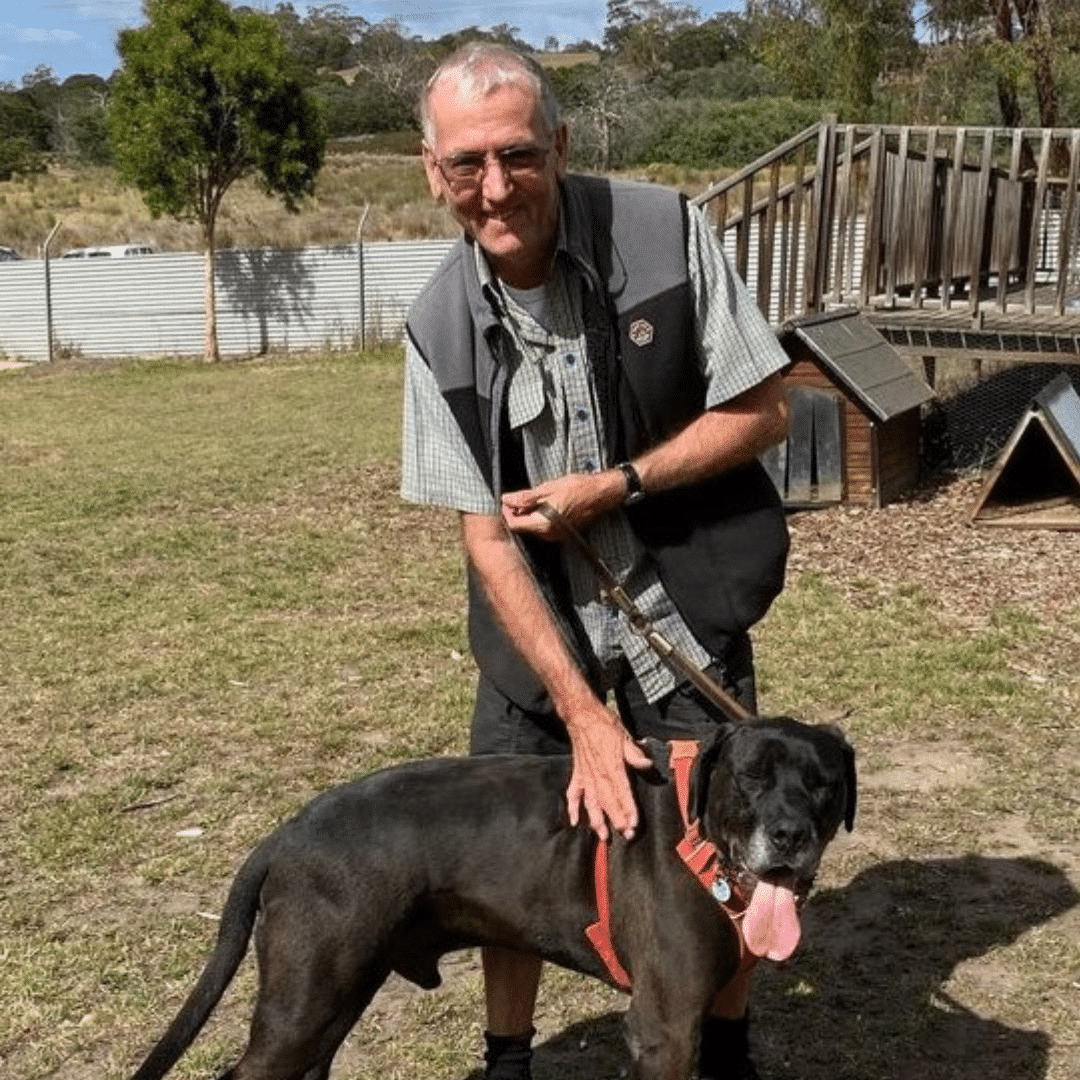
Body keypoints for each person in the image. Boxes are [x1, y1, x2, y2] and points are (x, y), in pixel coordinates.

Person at [401, 42, 791, 1080]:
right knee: (509, 856)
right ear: (430, 166)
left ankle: (726, 1044)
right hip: (541, 635)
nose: (495, 188)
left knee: (735, 837)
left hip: (683, 608)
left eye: (520, 156)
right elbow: (484, 532)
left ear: (562, 146)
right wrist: (576, 713)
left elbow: (764, 409)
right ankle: (508, 1060)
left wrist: (618, 484)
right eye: (466, 163)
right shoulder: (435, 323)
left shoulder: (665, 232)